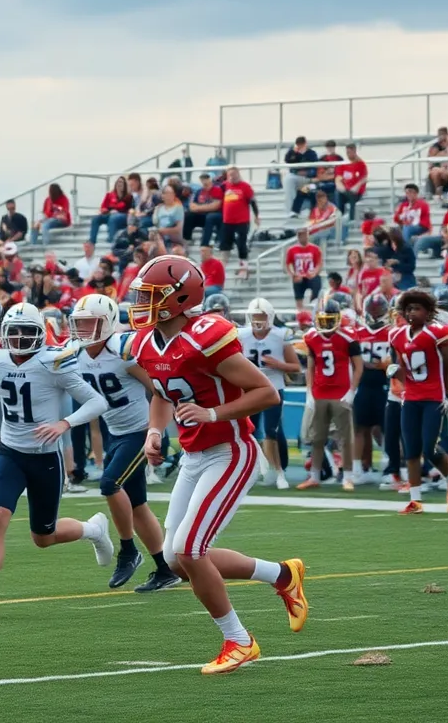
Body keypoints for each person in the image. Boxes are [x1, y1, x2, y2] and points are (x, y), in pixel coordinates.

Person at [127, 255, 308, 675]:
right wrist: (154, 432)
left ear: (179, 298)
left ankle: (239, 641)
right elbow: (163, 394)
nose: (140, 304)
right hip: (194, 456)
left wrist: (212, 414)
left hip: (231, 450)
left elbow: (266, 393)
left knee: (190, 549)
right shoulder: (145, 343)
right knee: (176, 560)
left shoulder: (204, 337)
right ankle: (282, 575)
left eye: (151, 296)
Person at [0, 303, 111, 619]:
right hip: (10, 454)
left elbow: (97, 402)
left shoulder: (54, 362)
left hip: (44, 458)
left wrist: (64, 423)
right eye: (13, 331)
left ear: (40, 333)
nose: (19, 337)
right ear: (4, 333)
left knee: (43, 537)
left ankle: (93, 529)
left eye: (27, 331)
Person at [67, 294, 181, 591]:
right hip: (114, 433)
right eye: (79, 323)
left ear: (106, 322)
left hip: (140, 432)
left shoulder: (123, 351)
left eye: (90, 322)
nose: (82, 329)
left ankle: (128, 550)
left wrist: (157, 430)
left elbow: (160, 389)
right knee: (138, 504)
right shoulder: (76, 353)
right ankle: (165, 570)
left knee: (109, 483)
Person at [389, 290, 448, 514]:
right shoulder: (397, 335)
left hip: (433, 398)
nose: (412, 313)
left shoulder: (437, 332)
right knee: (411, 449)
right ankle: (416, 500)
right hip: (411, 398)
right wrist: (396, 372)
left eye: (417, 308)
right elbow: (406, 369)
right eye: (409, 309)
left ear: (428, 312)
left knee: (429, 448)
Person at [300, 299, 362, 492]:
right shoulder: (312, 337)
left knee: (345, 438)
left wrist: (352, 391)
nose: (326, 324)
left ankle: (348, 477)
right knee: (317, 438)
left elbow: (358, 367)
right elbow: (311, 367)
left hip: (341, 393)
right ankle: (314, 477)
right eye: (323, 320)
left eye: (330, 320)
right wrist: (309, 392)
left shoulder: (348, 337)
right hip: (320, 393)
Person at [239, 298, 301, 489]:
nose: (258, 320)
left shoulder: (280, 336)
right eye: (255, 316)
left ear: (270, 317)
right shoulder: (241, 335)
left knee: (270, 431)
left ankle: (278, 471)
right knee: (248, 432)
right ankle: (256, 469)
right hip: (250, 388)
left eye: (261, 316)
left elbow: (296, 367)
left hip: (274, 387)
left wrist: (278, 364)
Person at [355, 294, 393, 487]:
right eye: (372, 311)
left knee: (388, 429)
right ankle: (363, 467)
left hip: (386, 385)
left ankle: (391, 467)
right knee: (361, 427)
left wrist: (383, 365)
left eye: (378, 311)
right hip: (364, 385)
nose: (375, 315)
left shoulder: (391, 332)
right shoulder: (358, 332)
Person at [219, 167, 259, 279]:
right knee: (224, 245)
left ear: (238, 174)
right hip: (227, 221)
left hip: (241, 221)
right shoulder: (224, 186)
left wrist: (256, 216)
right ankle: (221, 269)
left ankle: (244, 268)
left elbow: (253, 202)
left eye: (234, 174)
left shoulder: (245, 187)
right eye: (230, 175)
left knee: (241, 244)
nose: (232, 177)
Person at [89, 177, 134, 245]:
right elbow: (103, 207)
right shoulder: (109, 195)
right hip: (109, 214)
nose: (119, 184)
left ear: (125, 185)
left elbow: (131, 209)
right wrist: (108, 211)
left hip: (123, 215)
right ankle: (92, 241)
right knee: (96, 218)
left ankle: (112, 240)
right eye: (118, 182)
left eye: (121, 182)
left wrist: (117, 211)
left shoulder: (129, 197)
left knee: (113, 218)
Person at [285, 229, 323, 310]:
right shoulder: (291, 250)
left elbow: (319, 264)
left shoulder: (315, 249)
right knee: (297, 283)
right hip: (299, 275)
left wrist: (314, 272)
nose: (303, 237)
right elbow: (289, 264)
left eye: (305, 235)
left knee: (317, 281)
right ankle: (300, 309)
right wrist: (293, 274)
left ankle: (313, 304)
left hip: (311, 275)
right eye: (301, 235)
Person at [283, 136, 319, 215]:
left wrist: (308, 173)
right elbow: (288, 161)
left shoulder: (311, 153)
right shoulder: (292, 152)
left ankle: (310, 212)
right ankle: (291, 211)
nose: (300, 146)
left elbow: (315, 169)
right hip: (296, 176)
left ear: (305, 144)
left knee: (304, 190)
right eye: (299, 144)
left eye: (302, 144)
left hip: (309, 180)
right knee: (288, 180)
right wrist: (294, 153)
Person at [335, 143, 368, 225]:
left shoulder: (361, 165)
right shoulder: (343, 164)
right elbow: (338, 179)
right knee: (338, 193)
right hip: (345, 190)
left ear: (354, 151)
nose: (348, 154)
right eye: (347, 152)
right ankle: (340, 217)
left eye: (350, 152)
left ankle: (351, 219)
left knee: (351, 194)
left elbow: (364, 178)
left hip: (356, 191)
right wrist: (342, 188)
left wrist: (356, 187)